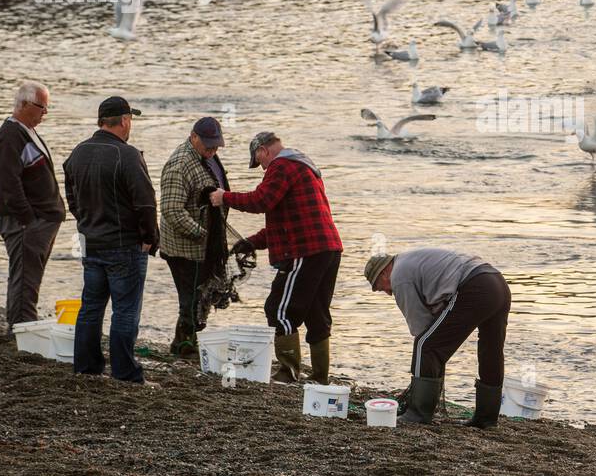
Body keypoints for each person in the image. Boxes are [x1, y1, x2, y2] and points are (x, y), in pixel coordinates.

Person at [209, 131, 341, 384]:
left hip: (306, 251)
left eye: (259, 162)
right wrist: (250, 242)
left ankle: (288, 372)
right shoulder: (303, 166)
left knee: (279, 309)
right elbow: (283, 225)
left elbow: (261, 200)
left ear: (262, 151)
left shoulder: (281, 165)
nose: (262, 169)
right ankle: (320, 377)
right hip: (328, 249)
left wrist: (224, 197)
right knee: (317, 314)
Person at [63, 96, 159, 385]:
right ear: (125, 120)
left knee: (91, 308)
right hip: (124, 246)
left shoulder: (77, 153)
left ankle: (87, 367)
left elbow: (72, 199)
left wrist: (85, 223)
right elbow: (145, 203)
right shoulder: (128, 155)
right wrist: (149, 238)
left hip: (91, 242)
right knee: (125, 310)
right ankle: (125, 373)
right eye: (130, 120)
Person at [364, 248, 510, 427]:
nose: (388, 293)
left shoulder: (399, 277)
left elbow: (422, 329)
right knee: (491, 351)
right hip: (497, 282)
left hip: (475, 285)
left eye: (381, 287)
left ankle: (418, 414)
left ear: (385, 271)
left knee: (425, 345)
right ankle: (486, 419)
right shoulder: (411, 261)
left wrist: (430, 365)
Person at [0, 80, 65, 332]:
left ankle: (21, 324)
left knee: (28, 275)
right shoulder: (11, 135)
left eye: (47, 108)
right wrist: (27, 219)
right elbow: (7, 183)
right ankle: (22, 328)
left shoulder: (25, 130)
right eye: (41, 107)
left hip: (40, 219)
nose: (45, 113)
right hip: (25, 222)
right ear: (23, 104)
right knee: (25, 278)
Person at [159, 117, 230, 358]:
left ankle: (185, 343)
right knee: (190, 299)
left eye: (216, 145)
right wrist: (202, 234)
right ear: (194, 137)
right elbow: (171, 209)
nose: (213, 150)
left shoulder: (208, 157)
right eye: (208, 145)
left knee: (201, 297)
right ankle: (185, 348)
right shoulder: (180, 164)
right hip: (184, 249)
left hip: (205, 247)